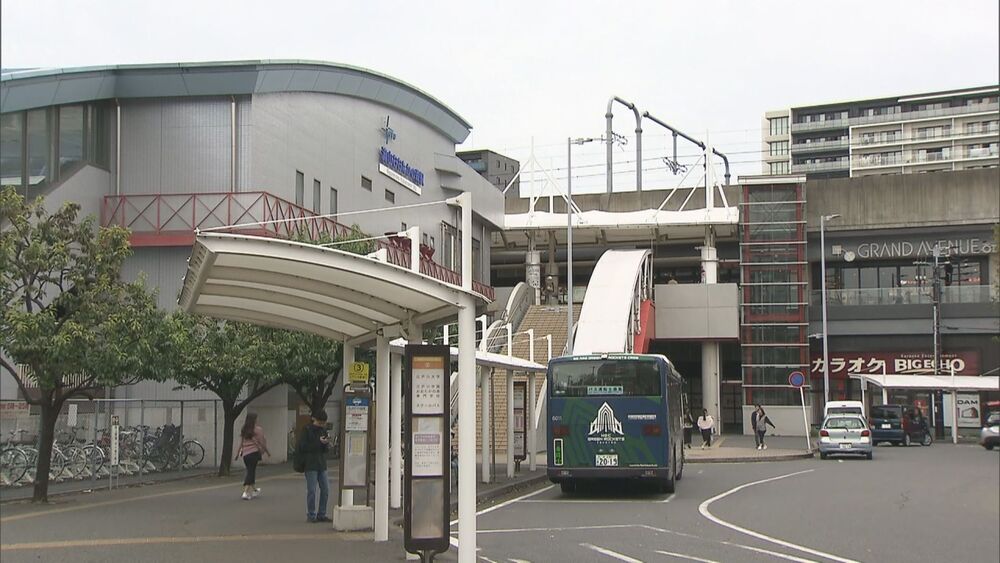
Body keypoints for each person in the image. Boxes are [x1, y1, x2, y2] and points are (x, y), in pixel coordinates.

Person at [297, 410, 331, 523]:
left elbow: (325, 450)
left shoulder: (323, 430)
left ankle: (322, 513)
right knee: (312, 490)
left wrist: (325, 444)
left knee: (325, 489)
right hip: (310, 464)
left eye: (323, 423)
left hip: (322, 463)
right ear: (314, 419)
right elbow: (303, 446)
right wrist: (318, 442)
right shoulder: (306, 430)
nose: (321, 425)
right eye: (319, 422)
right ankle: (311, 514)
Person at [236, 412, 269, 500]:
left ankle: (254, 490)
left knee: (250, 470)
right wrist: (266, 451)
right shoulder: (258, 430)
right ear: (254, 420)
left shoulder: (244, 429)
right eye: (256, 418)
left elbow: (241, 442)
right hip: (254, 453)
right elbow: (262, 442)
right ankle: (245, 492)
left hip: (245, 454)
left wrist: (237, 453)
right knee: (251, 471)